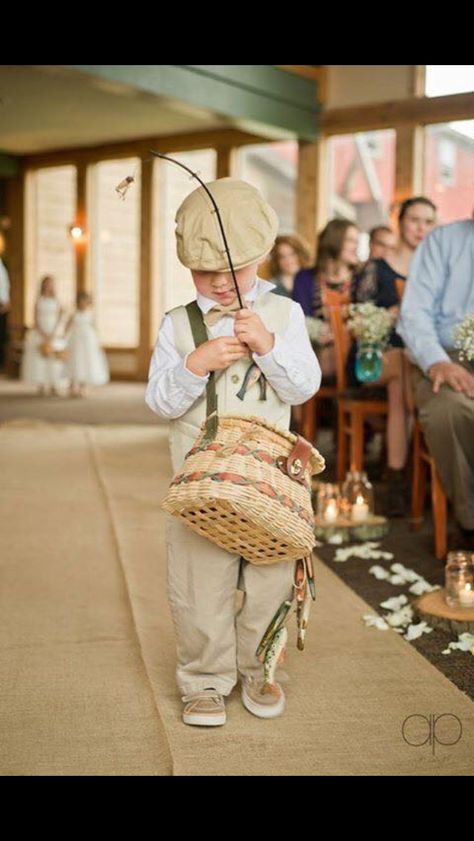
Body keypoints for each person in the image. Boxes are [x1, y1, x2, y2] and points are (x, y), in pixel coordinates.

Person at [145, 178, 321, 726]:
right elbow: (159, 401)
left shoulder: (287, 315)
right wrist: (194, 364)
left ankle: (260, 670)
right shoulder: (178, 325)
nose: (221, 284)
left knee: (270, 579)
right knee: (199, 584)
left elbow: (303, 387)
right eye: (206, 273)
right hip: (201, 486)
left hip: (270, 484)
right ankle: (203, 677)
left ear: (261, 256)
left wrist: (267, 347)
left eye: (235, 271)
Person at [349, 197, 437, 514]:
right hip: (372, 360)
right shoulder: (377, 268)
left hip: (415, 362)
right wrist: (392, 313)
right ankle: (406, 475)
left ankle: (404, 473)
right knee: (401, 367)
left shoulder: (433, 272)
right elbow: (358, 322)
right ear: (400, 222)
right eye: (415, 220)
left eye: (429, 222)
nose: (421, 228)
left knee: (407, 376)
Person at [398, 218, 474, 546]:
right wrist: (438, 362)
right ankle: (470, 521)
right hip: (445, 355)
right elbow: (413, 314)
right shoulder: (443, 240)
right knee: (449, 409)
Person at [292, 219, 359, 379]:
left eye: (356, 241)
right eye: (350, 240)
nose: (355, 246)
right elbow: (299, 318)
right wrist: (320, 333)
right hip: (315, 349)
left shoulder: (362, 276)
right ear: (334, 240)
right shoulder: (304, 278)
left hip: (354, 350)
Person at [21, 275, 66, 395]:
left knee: (55, 359)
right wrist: (42, 333)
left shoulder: (57, 300)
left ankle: (54, 384)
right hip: (41, 331)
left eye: (50, 283)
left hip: (54, 331)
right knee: (40, 358)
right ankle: (41, 384)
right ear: (42, 285)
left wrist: (54, 332)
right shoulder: (38, 300)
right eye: (46, 283)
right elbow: (35, 319)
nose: (48, 286)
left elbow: (60, 317)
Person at [65, 291, 109, 397]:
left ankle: (82, 387)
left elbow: (95, 329)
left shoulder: (90, 315)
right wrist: (63, 339)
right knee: (75, 362)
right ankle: (72, 386)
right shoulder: (74, 314)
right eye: (81, 301)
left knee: (85, 363)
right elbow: (67, 327)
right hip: (76, 341)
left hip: (88, 342)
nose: (83, 303)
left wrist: (98, 343)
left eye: (85, 301)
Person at [0, 232, 10, 372]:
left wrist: (6, 302)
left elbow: (4, 285)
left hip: (2, 304)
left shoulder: (2, 265)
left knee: (2, 338)